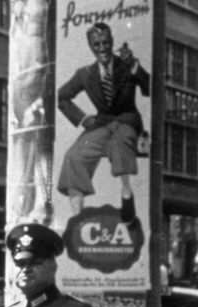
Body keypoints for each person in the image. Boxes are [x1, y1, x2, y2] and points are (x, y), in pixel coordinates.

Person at [56, 22, 150, 222]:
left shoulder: (127, 65)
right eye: (96, 44)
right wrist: (82, 118)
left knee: (120, 144)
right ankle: (77, 217)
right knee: (73, 156)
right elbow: (61, 96)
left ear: (112, 42)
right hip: (101, 123)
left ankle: (127, 194)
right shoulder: (85, 74)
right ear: (91, 46)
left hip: (127, 120)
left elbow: (150, 89)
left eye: (106, 43)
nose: (102, 49)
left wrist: (134, 66)